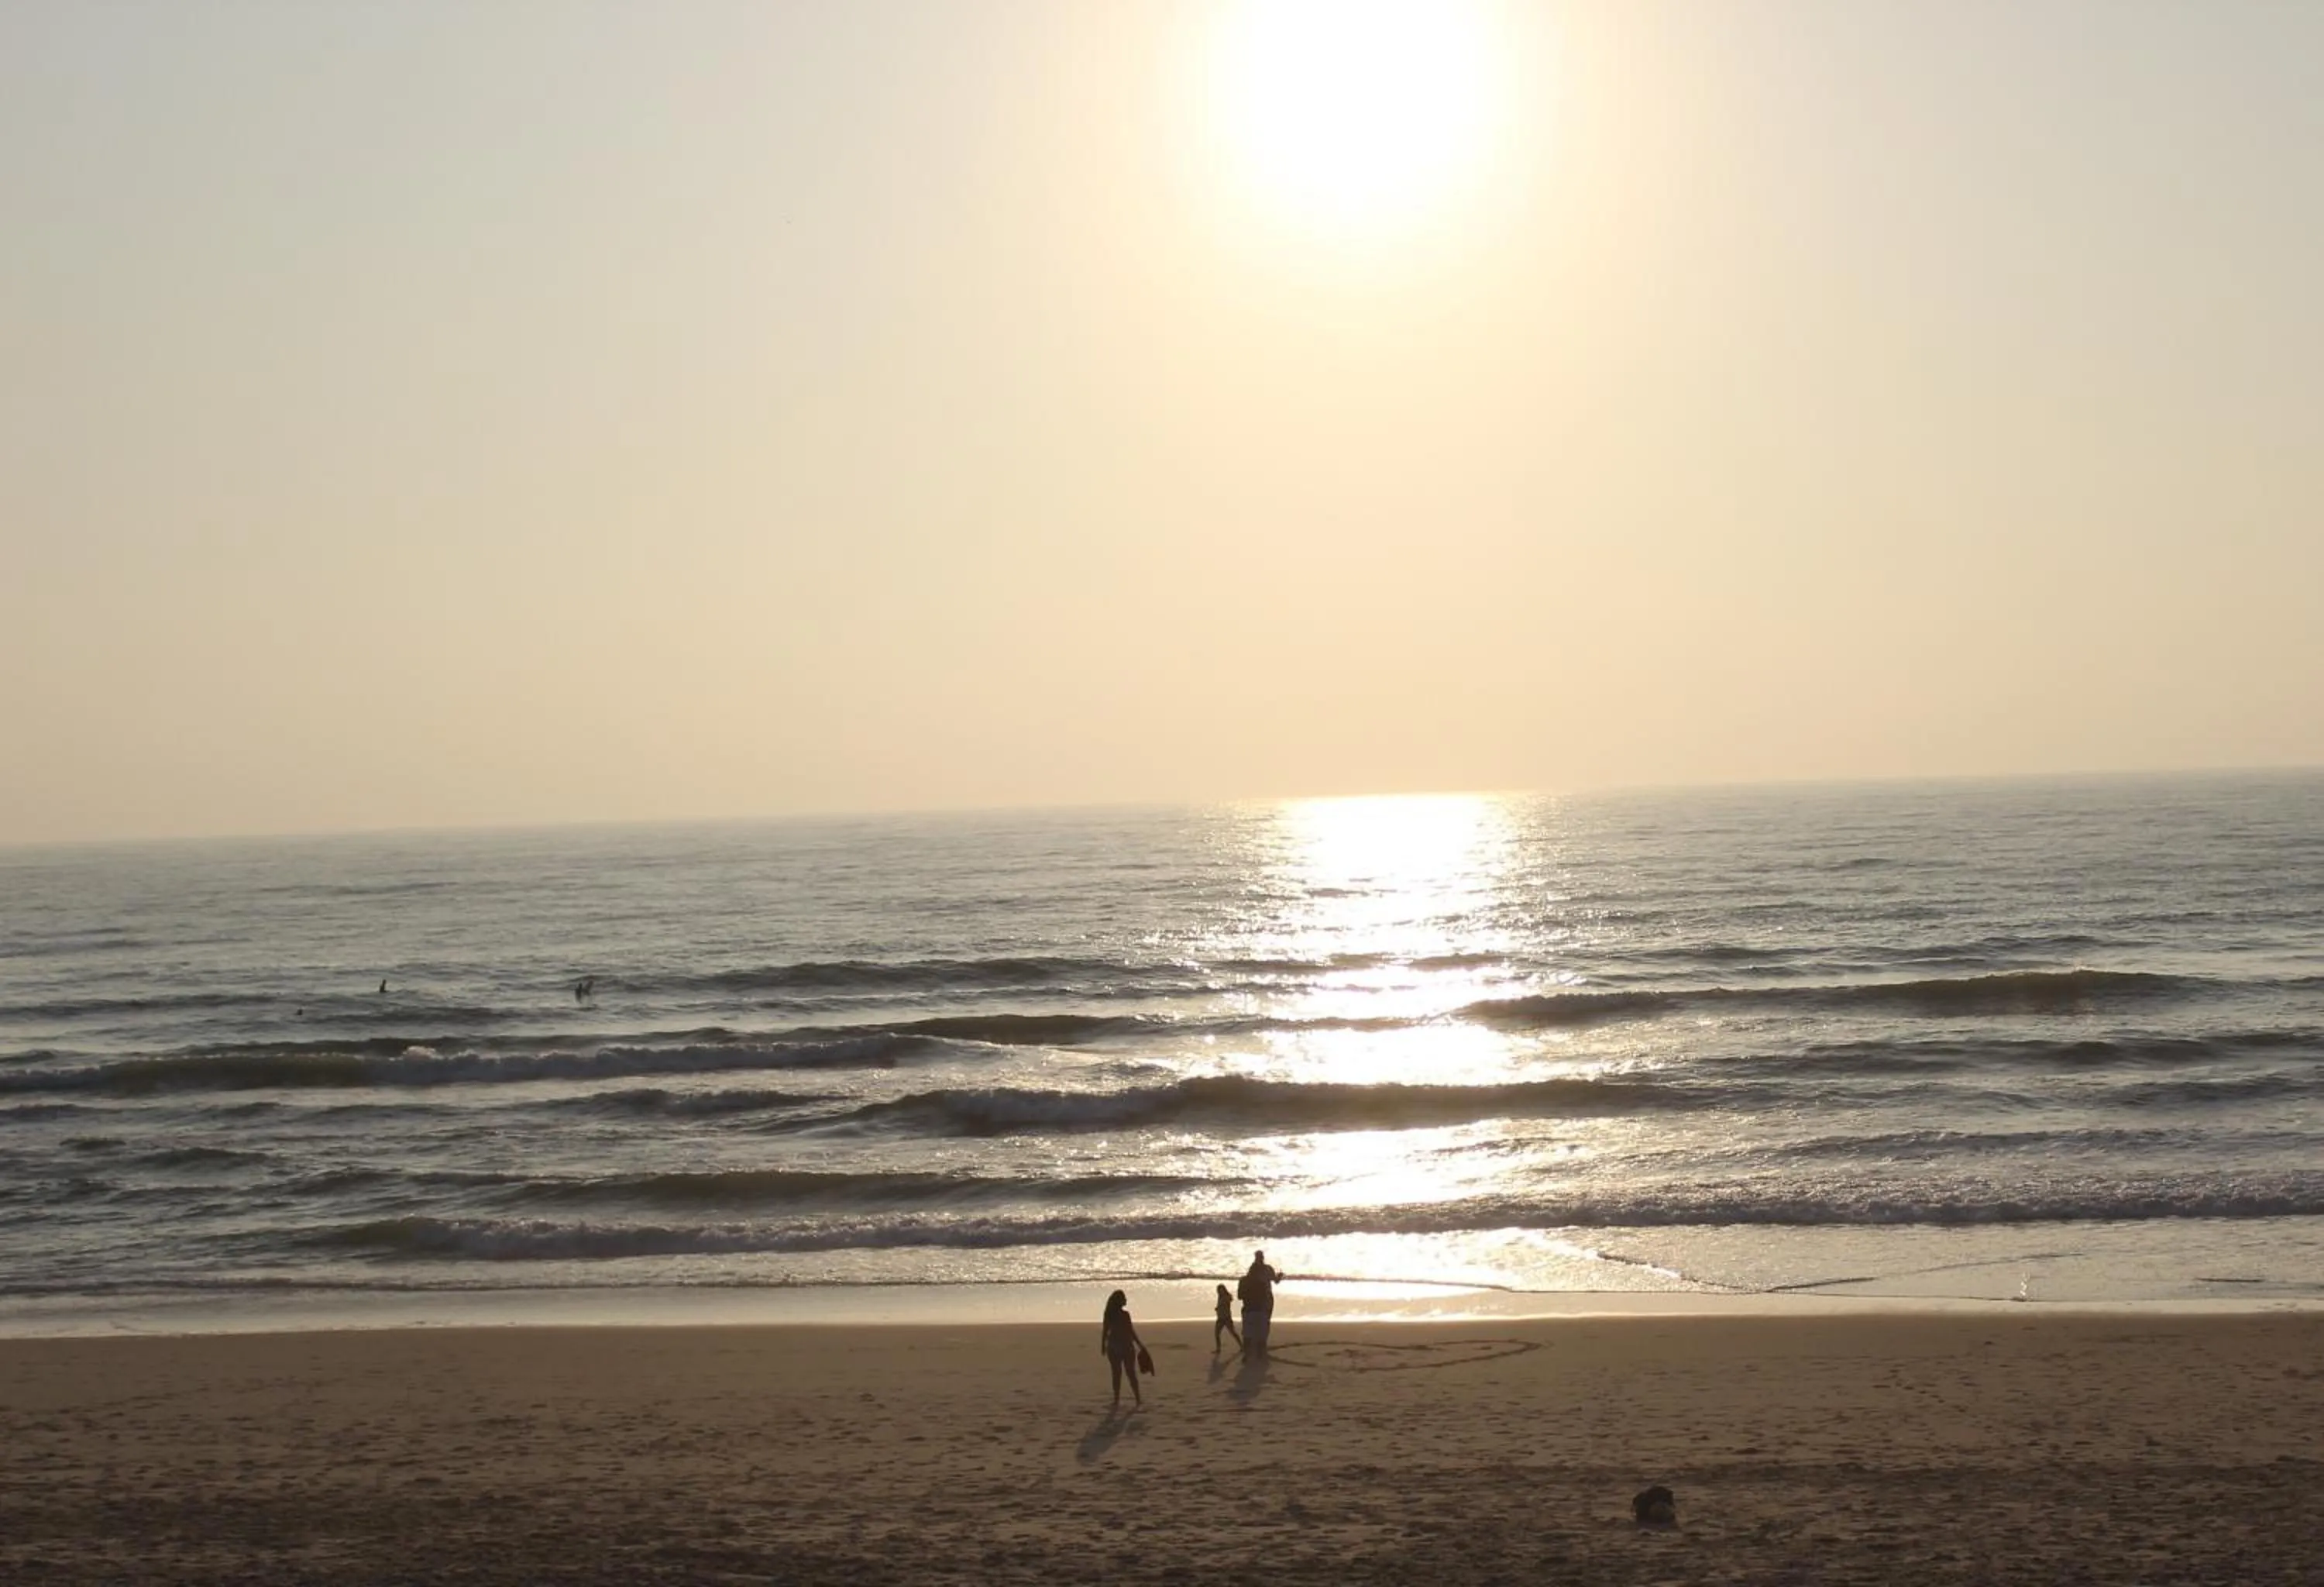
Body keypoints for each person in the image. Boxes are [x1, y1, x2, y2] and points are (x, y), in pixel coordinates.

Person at [1099, 1289, 1147, 1409]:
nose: (1126, 1300)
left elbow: (1105, 1331)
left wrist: (1103, 1345)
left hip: (1114, 1346)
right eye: (1124, 1298)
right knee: (1130, 1373)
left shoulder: (1109, 1314)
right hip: (1125, 1346)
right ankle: (1137, 1399)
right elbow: (1131, 1331)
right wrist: (1139, 1344)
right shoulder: (1124, 1315)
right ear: (1119, 1301)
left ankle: (1117, 1400)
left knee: (1117, 1374)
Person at [1237, 1250, 1283, 1358]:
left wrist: (1279, 1277)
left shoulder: (1258, 1269)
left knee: (1256, 1323)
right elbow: (1275, 1281)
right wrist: (1279, 1277)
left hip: (1259, 1298)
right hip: (1263, 1297)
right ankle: (1259, 1347)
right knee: (1262, 1322)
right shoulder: (1264, 1269)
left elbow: (1275, 1280)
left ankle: (1254, 1348)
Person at [1212, 1282, 1242, 1356]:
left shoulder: (1227, 1297)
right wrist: (1218, 1308)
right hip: (1220, 1318)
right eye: (1218, 1290)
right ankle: (1218, 1349)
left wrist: (1219, 1308)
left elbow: (1227, 1303)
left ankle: (1242, 1346)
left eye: (1221, 1290)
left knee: (1233, 1332)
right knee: (1217, 1334)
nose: (1219, 1291)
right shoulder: (1220, 1297)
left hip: (1226, 1318)